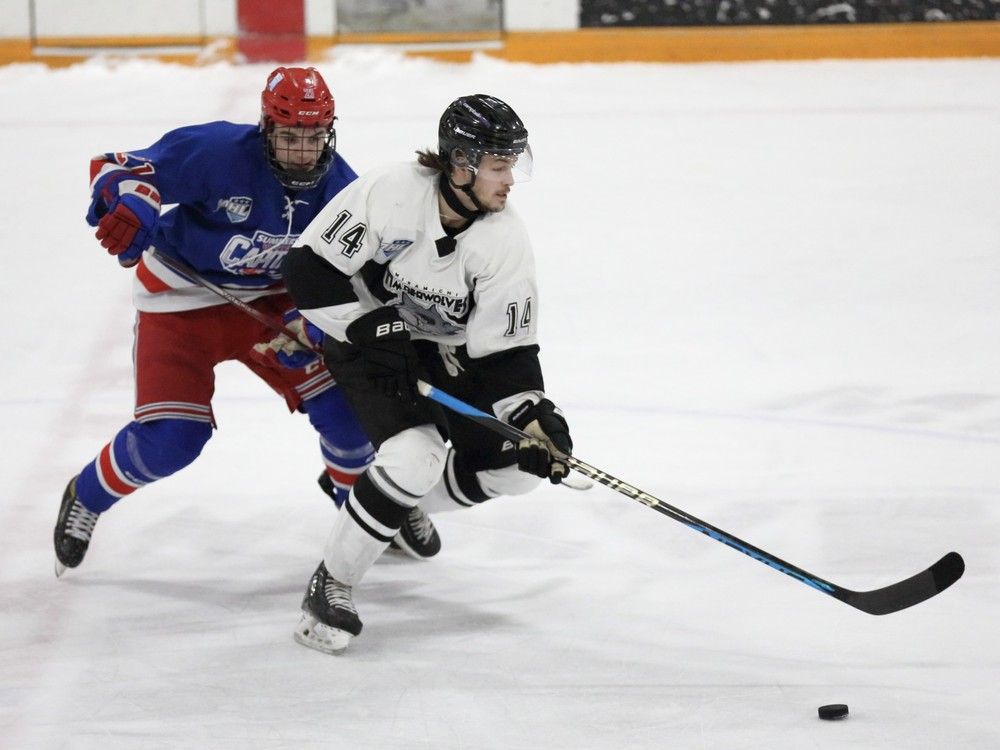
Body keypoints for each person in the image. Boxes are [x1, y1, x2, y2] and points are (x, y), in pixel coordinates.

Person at [53, 66, 440, 577]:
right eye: (288, 137)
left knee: (348, 418)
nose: (303, 151)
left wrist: (322, 319)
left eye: (314, 137)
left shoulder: (342, 187)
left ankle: (366, 506)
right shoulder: (215, 152)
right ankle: (87, 493)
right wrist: (130, 203)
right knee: (171, 440)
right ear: (265, 128)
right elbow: (117, 168)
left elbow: (359, 269)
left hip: (275, 310)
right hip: (181, 298)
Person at [282, 93, 573, 654]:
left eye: (513, 163)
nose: (509, 179)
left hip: (445, 353)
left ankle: (389, 501)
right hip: (366, 339)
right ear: (460, 164)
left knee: (518, 469)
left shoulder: (504, 239)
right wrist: (362, 327)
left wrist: (534, 414)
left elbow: (506, 354)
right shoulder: (391, 191)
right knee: (415, 454)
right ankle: (331, 583)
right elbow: (309, 267)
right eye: (498, 165)